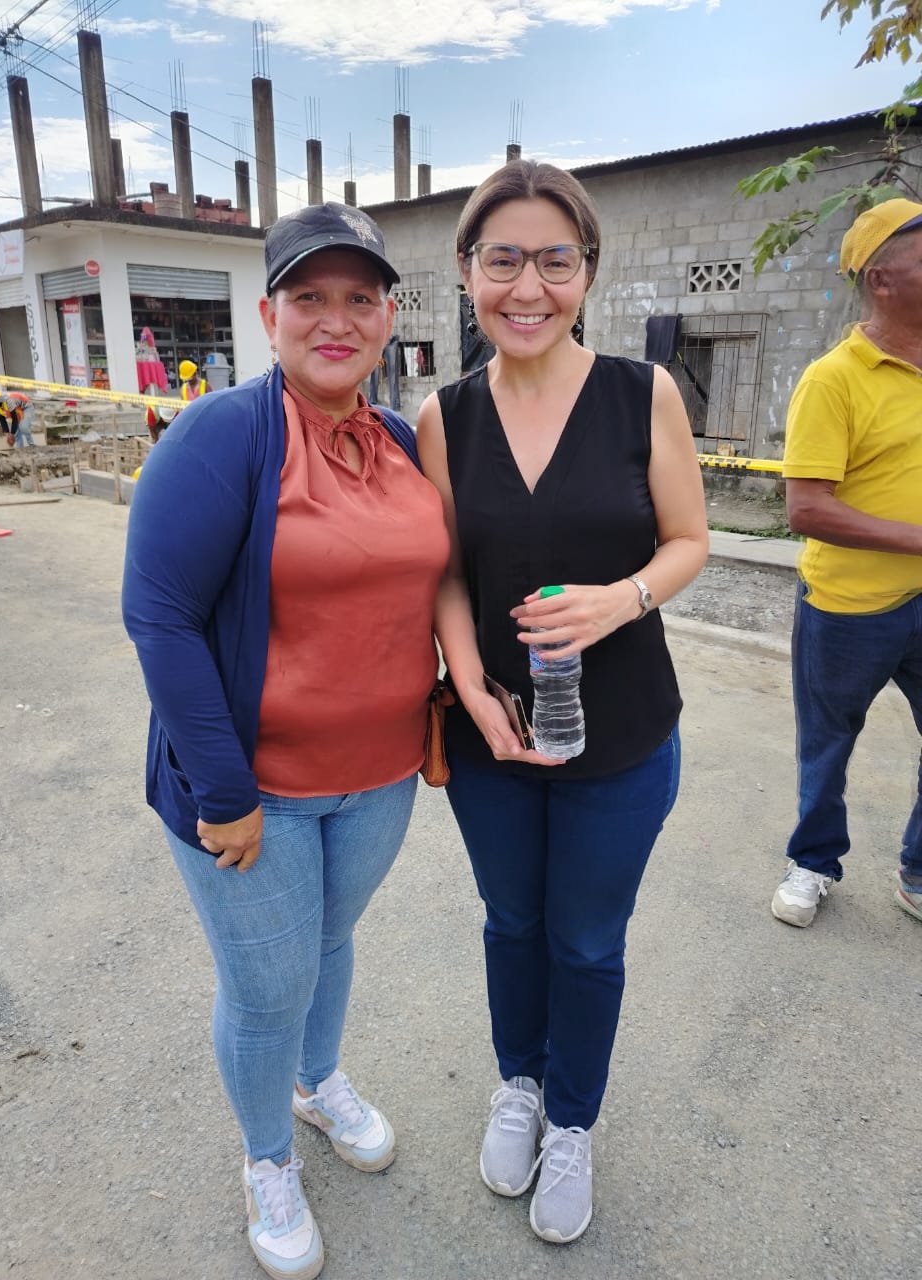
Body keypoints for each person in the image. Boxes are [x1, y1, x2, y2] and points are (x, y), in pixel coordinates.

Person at [121, 201, 448, 1280]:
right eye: (310, 296)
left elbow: (435, 587)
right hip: (253, 790)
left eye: (360, 296)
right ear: (270, 315)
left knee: (329, 944)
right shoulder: (224, 434)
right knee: (266, 986)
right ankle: (267, 1157)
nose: (336, 318)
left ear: (389, 316)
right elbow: (160, 616)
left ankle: (316, 1081)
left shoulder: (402, 439)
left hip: (380, 779)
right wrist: (222, 793)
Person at [416, 160, 708, 1245]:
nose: (527, 287)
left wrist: (620, 599)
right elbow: (447, 573)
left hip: (621, 734)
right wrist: (468, 687)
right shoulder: (444, 415)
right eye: (503, 260)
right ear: (467, 271)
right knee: (513, 921)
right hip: (490, 734)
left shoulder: (644, 394)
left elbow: (689, 540)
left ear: (587, 271)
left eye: (554, 259)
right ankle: (520, 1083)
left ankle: (573, 1118)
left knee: (586, 940)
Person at [771, 197, 922, 929]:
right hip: (848, 608)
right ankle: (813, 862)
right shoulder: (833, 379)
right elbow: (806, 509)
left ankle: (918, 871)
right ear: (883, 281)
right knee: (828, 745)